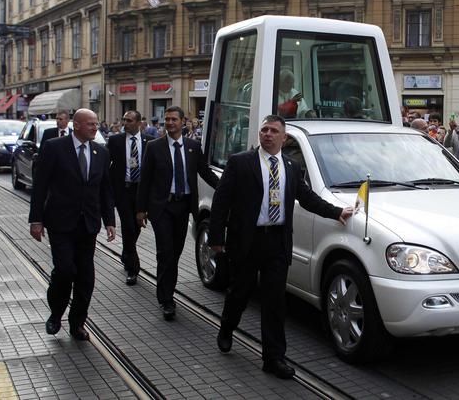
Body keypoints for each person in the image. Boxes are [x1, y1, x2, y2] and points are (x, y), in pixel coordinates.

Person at [209, 116, 353, 378]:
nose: (267, 134)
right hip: (247, 241)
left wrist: (337, 212)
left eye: (274, 131)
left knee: (275, 303)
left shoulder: (291, 165)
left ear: (283, 138)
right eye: (264, 129)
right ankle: (227, 328)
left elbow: (307, 198)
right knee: (239, 293)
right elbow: (221, 201)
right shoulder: (240, 162)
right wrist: (216, 238)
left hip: (277, 242)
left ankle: (273, 358)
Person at [29, 108, 115, 340]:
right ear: (76, 125)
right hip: (60, 223)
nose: (95, 128)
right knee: (65, 270)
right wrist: (36, 219)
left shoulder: (101, 152)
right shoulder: (54, 148)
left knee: (86, 277)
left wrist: (110, 221)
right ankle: (56, 313)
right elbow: (40, 186)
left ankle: (77, 322)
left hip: (87, 224)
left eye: (97, 124)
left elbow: (105, 189)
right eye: (90, 124)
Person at [136, 106, 219, 320]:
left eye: (174, 119)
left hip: (183, 208)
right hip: (162, 208)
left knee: (175, 253)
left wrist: (226, 188)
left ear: (183, 122)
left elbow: (205, 172)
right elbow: (144, 180)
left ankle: (167, 290)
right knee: (165, 253)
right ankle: (166, 300)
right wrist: (140, 209)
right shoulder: (154, 147)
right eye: (167, 119)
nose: (170, 123)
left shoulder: (193, 146)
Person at [108, 110, 154, 285]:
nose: (125, 123)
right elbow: (107, 165)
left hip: (142, 192)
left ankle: (126, 253)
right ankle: (133, 269)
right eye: (124, 120)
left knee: (136, 228)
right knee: (128, 228)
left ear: (139, 123)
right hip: (123, 191)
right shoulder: (115, 141)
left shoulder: (150, 141)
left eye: (129, 120)